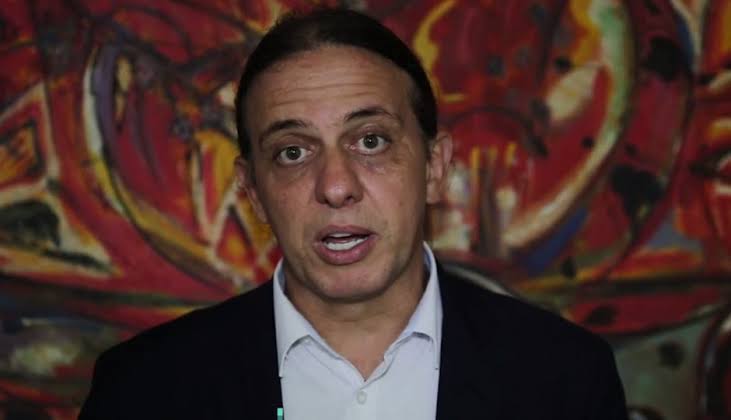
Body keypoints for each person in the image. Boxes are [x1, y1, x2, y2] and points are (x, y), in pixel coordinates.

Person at [79, 7, 628, 420]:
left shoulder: (566, 378)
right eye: (293, 152)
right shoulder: (143, 389)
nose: (336, 186)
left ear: (435, 167)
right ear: (253, 191)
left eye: (370, 141)